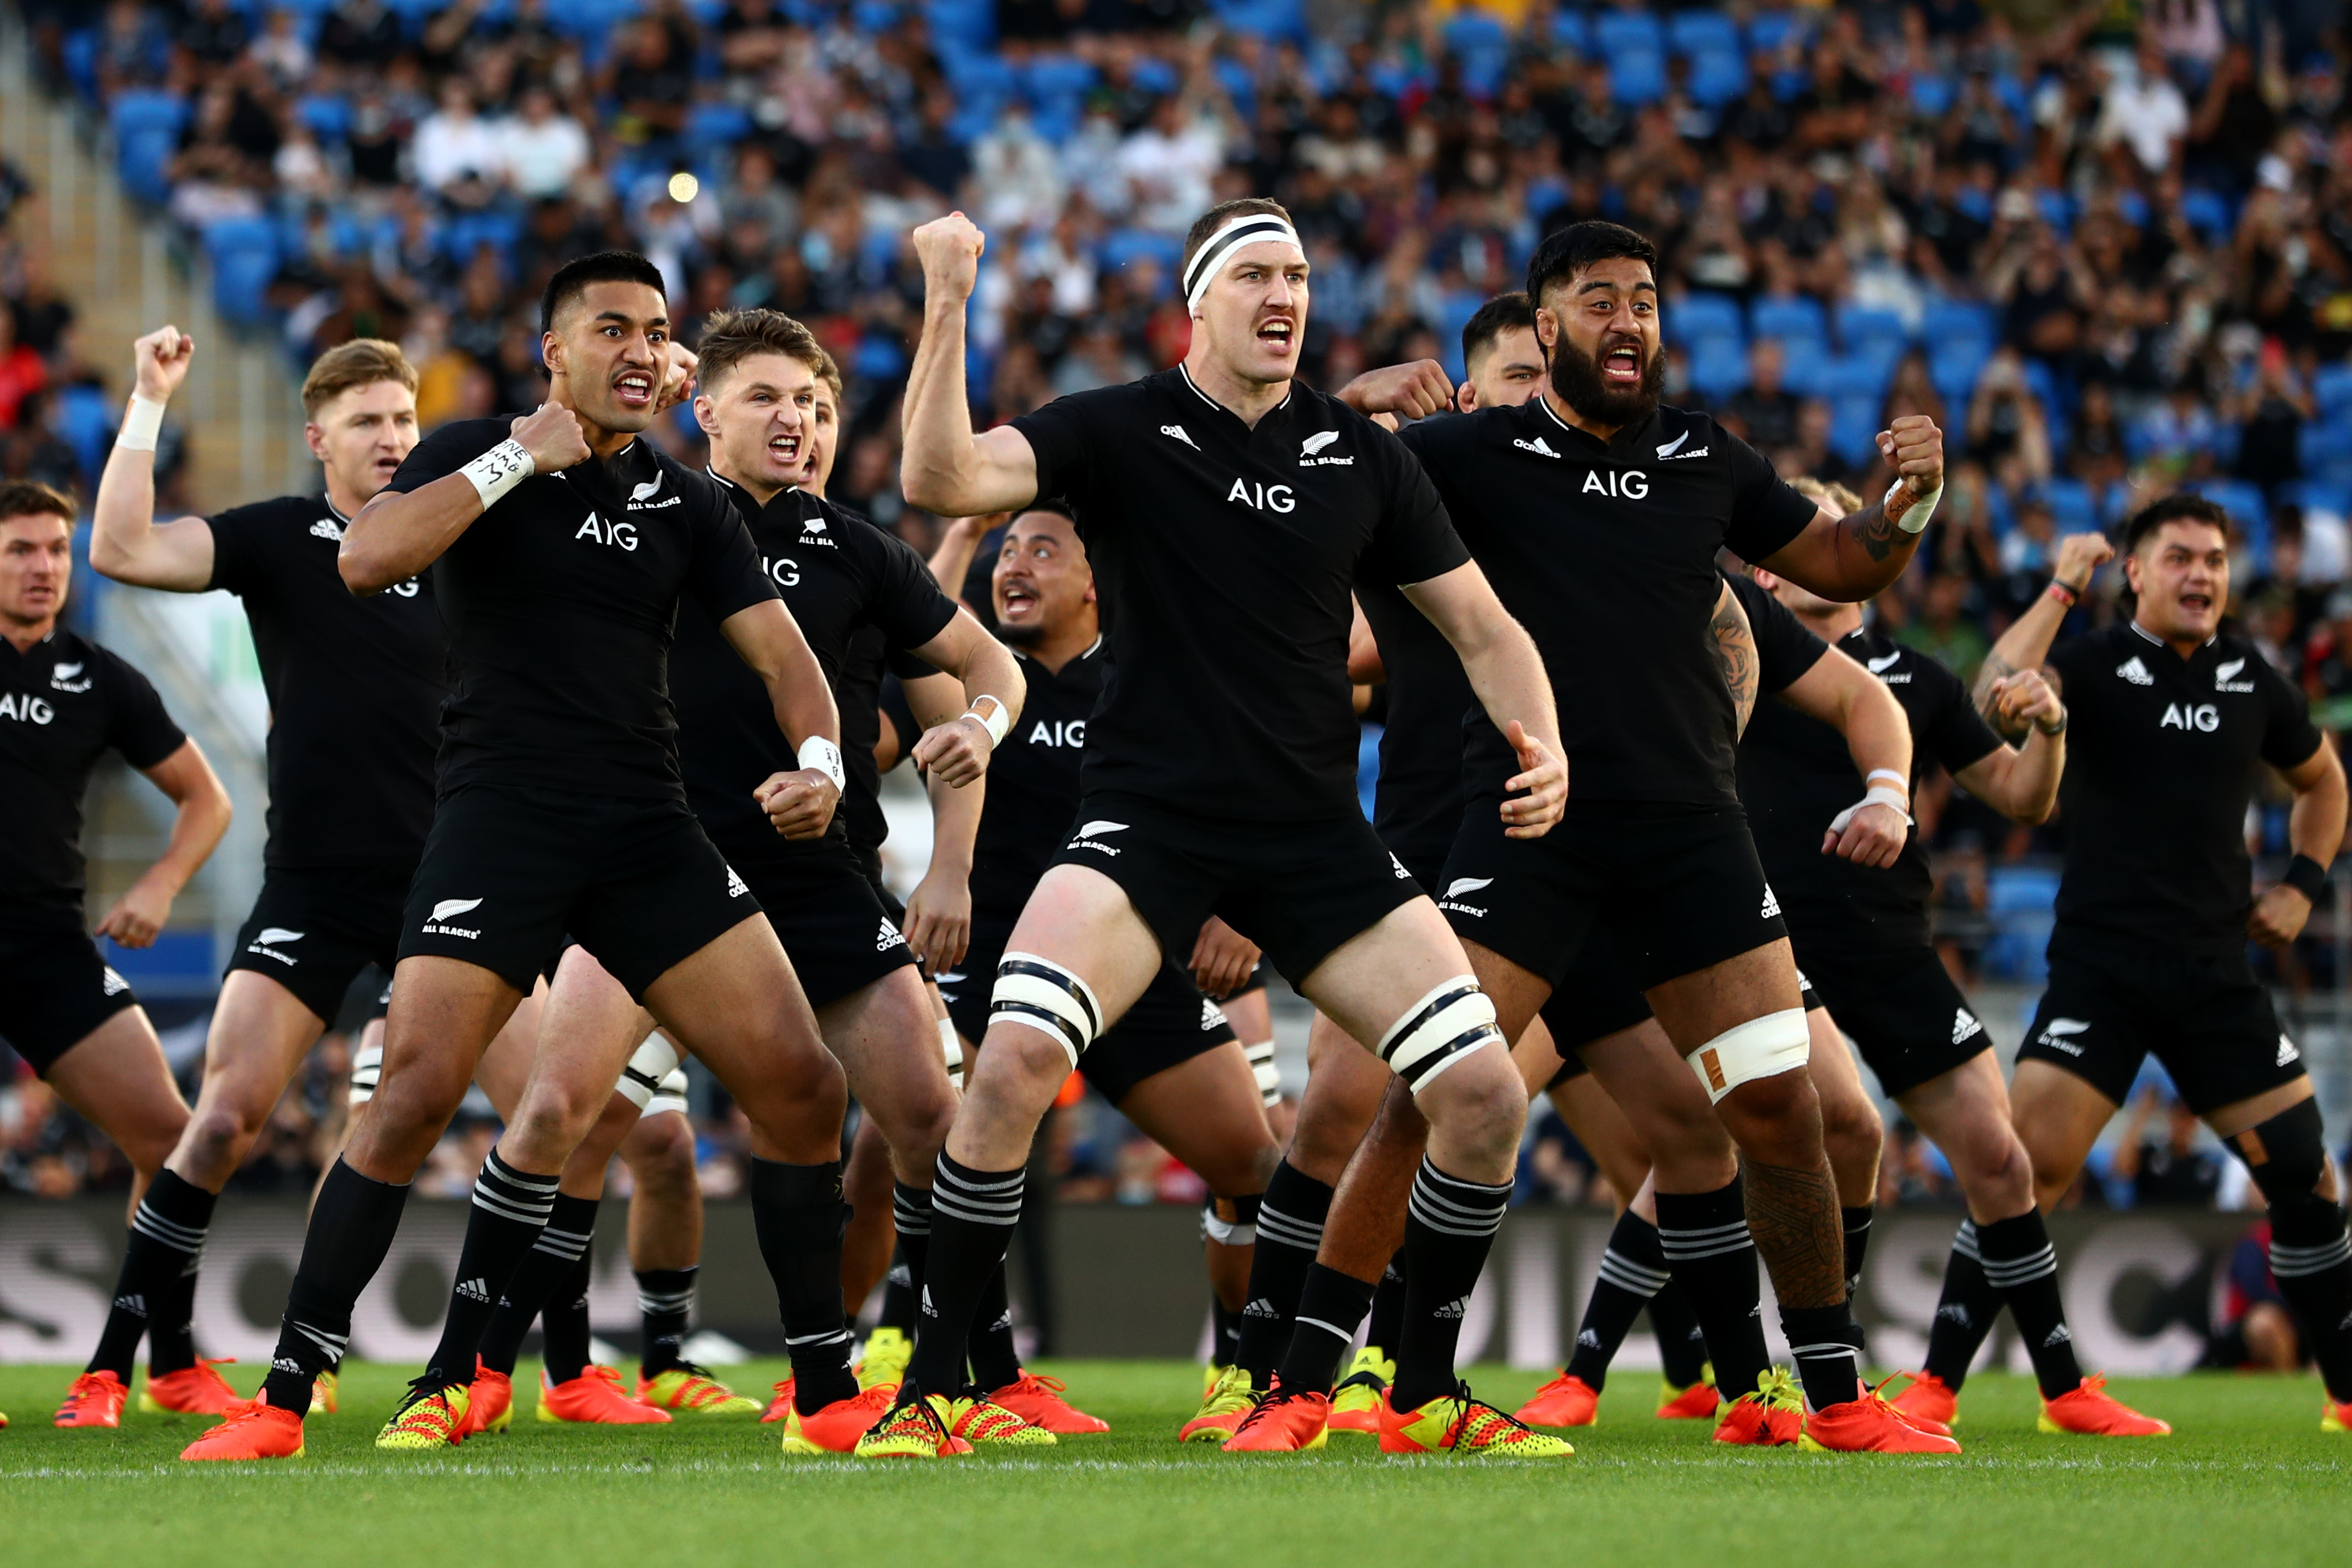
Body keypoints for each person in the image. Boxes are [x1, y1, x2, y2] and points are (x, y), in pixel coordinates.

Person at [860, 198, 1568, 1462]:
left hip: (1312, 834)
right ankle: (935, 1391)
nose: (1283, 291)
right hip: (1147, 829)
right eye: (1255, 272)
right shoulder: (1118, 426)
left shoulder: (1360, 454)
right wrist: (951, 293)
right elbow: (937, 478)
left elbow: (1486, 631)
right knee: (1014, 1066)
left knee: (1477, 1095)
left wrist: (1543, 742)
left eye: (1297, 272)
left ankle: (1419, 1391)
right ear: (1201, 301)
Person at [1244, 223, 1958, 1456]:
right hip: (1530, 819)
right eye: (1596, 302)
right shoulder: (1467, 452)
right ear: (1547, 323)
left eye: (1643, 302)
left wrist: (1907, 507)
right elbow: (1302, 495)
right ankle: (1306, 1386)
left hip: (1691, 832)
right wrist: (1351, 403)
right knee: (1431, 1093)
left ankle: (1831, 1395)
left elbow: (1843, 558)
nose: (1626, 321)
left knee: (1778, 1111)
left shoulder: (1706, 457)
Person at [179, 251, 852, 1463]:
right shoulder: (473, 453)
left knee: (804, 1086)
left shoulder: (687, 504)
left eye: (655, 331)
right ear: (555, 352)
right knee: (409, 1101)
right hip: (498, 822)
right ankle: (281, 1402)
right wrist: (515, 459)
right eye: (612, 329)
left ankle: (824, 1392)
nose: (642, 350)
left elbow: (788, 661)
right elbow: (366, 558)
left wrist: (822, 759)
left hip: (647, 828)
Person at [446, 306, 1036, 1455]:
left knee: (926, 1111)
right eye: (768, 398)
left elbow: (987, 663)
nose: (800, 423)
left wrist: (982, 722)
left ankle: (949, 1375)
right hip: (650, 865)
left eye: (815, 405)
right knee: (563, 1111)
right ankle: (468, 1365)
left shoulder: (860, 551)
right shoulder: (649, 511)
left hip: (818, 875)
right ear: (704, 411)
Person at [1546, 479, 2166, 1437]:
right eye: (1797, 537)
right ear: (1766, 568)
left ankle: (2055, 1386)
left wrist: (2051, 728)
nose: (1816, 556)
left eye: (1835, 531)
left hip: (1890, 949)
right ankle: (1591, 1373)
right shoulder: (1725, 656)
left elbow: (2020, 799)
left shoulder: (1910, 679)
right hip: (1765, 942)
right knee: (1732, 1145)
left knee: (2000, 1160)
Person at [1902, 498, 2352, 1436]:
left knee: (2309, 1181)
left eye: (2217, 561)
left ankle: (2347, 1394)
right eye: (2180, 558)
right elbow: (1994, 687)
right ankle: (1933, 1390)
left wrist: (2306, 883)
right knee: (2023, 1171)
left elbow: (2325, 781)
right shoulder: (2099, 663)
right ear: (2136, 575)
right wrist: (2065, 586)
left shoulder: (2254, 680)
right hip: (2103, 969)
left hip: (2216, 978)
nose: (2202, 576)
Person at [67, 333, 443, 1427]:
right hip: (315, 882)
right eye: (368, 421)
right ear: (318, 437)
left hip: (452, 886)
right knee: (223, 1117)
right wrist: (146, 398)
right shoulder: (283, 538)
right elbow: (123, 549)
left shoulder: (457, 542)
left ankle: (553, 1373)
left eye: (404, 419)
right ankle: (109, 1368)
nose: (392, 439)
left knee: (551, 1113)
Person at [927, 502, 1284, 1427]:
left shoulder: (1147, 674)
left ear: (1095, 581)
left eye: (1041, 549)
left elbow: (1235, 791)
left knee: (1252, 1159)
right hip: (992, 963)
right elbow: (909, 614)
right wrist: (965, 531)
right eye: (1008, 551)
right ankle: (969, 1375)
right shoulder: (980, 675)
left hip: (1128, 964)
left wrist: (1236, 909)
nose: (1017, 565)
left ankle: (1240, 1369)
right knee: (916, 1142)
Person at [2, 479, 231, 1427]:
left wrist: (159, 885)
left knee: (174, 1139)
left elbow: (208, 799)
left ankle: (165, 1362)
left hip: (47, 945)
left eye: (56, 549)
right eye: (21, 549)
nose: (43, 566)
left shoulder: (98, 676)